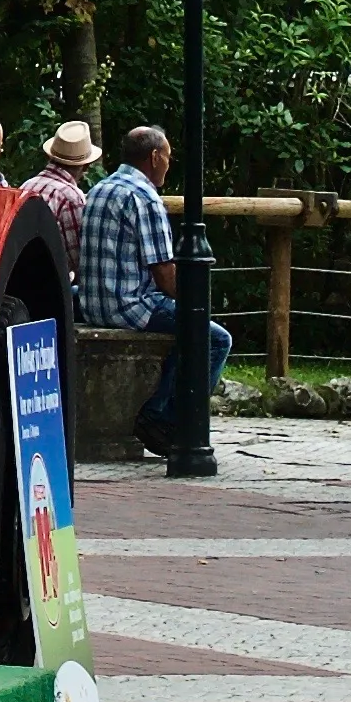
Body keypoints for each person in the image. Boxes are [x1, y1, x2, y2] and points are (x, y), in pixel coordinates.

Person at [76, 124, 220, 457]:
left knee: (190, 326)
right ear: (154, 157)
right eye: (168, 156)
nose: (170, 163)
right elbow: (165, 278)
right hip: (128, 307)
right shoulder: (143, 198)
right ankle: (163, 418)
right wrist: (196, 304)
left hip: (92, 304)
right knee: (212, 337)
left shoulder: (99, 189)